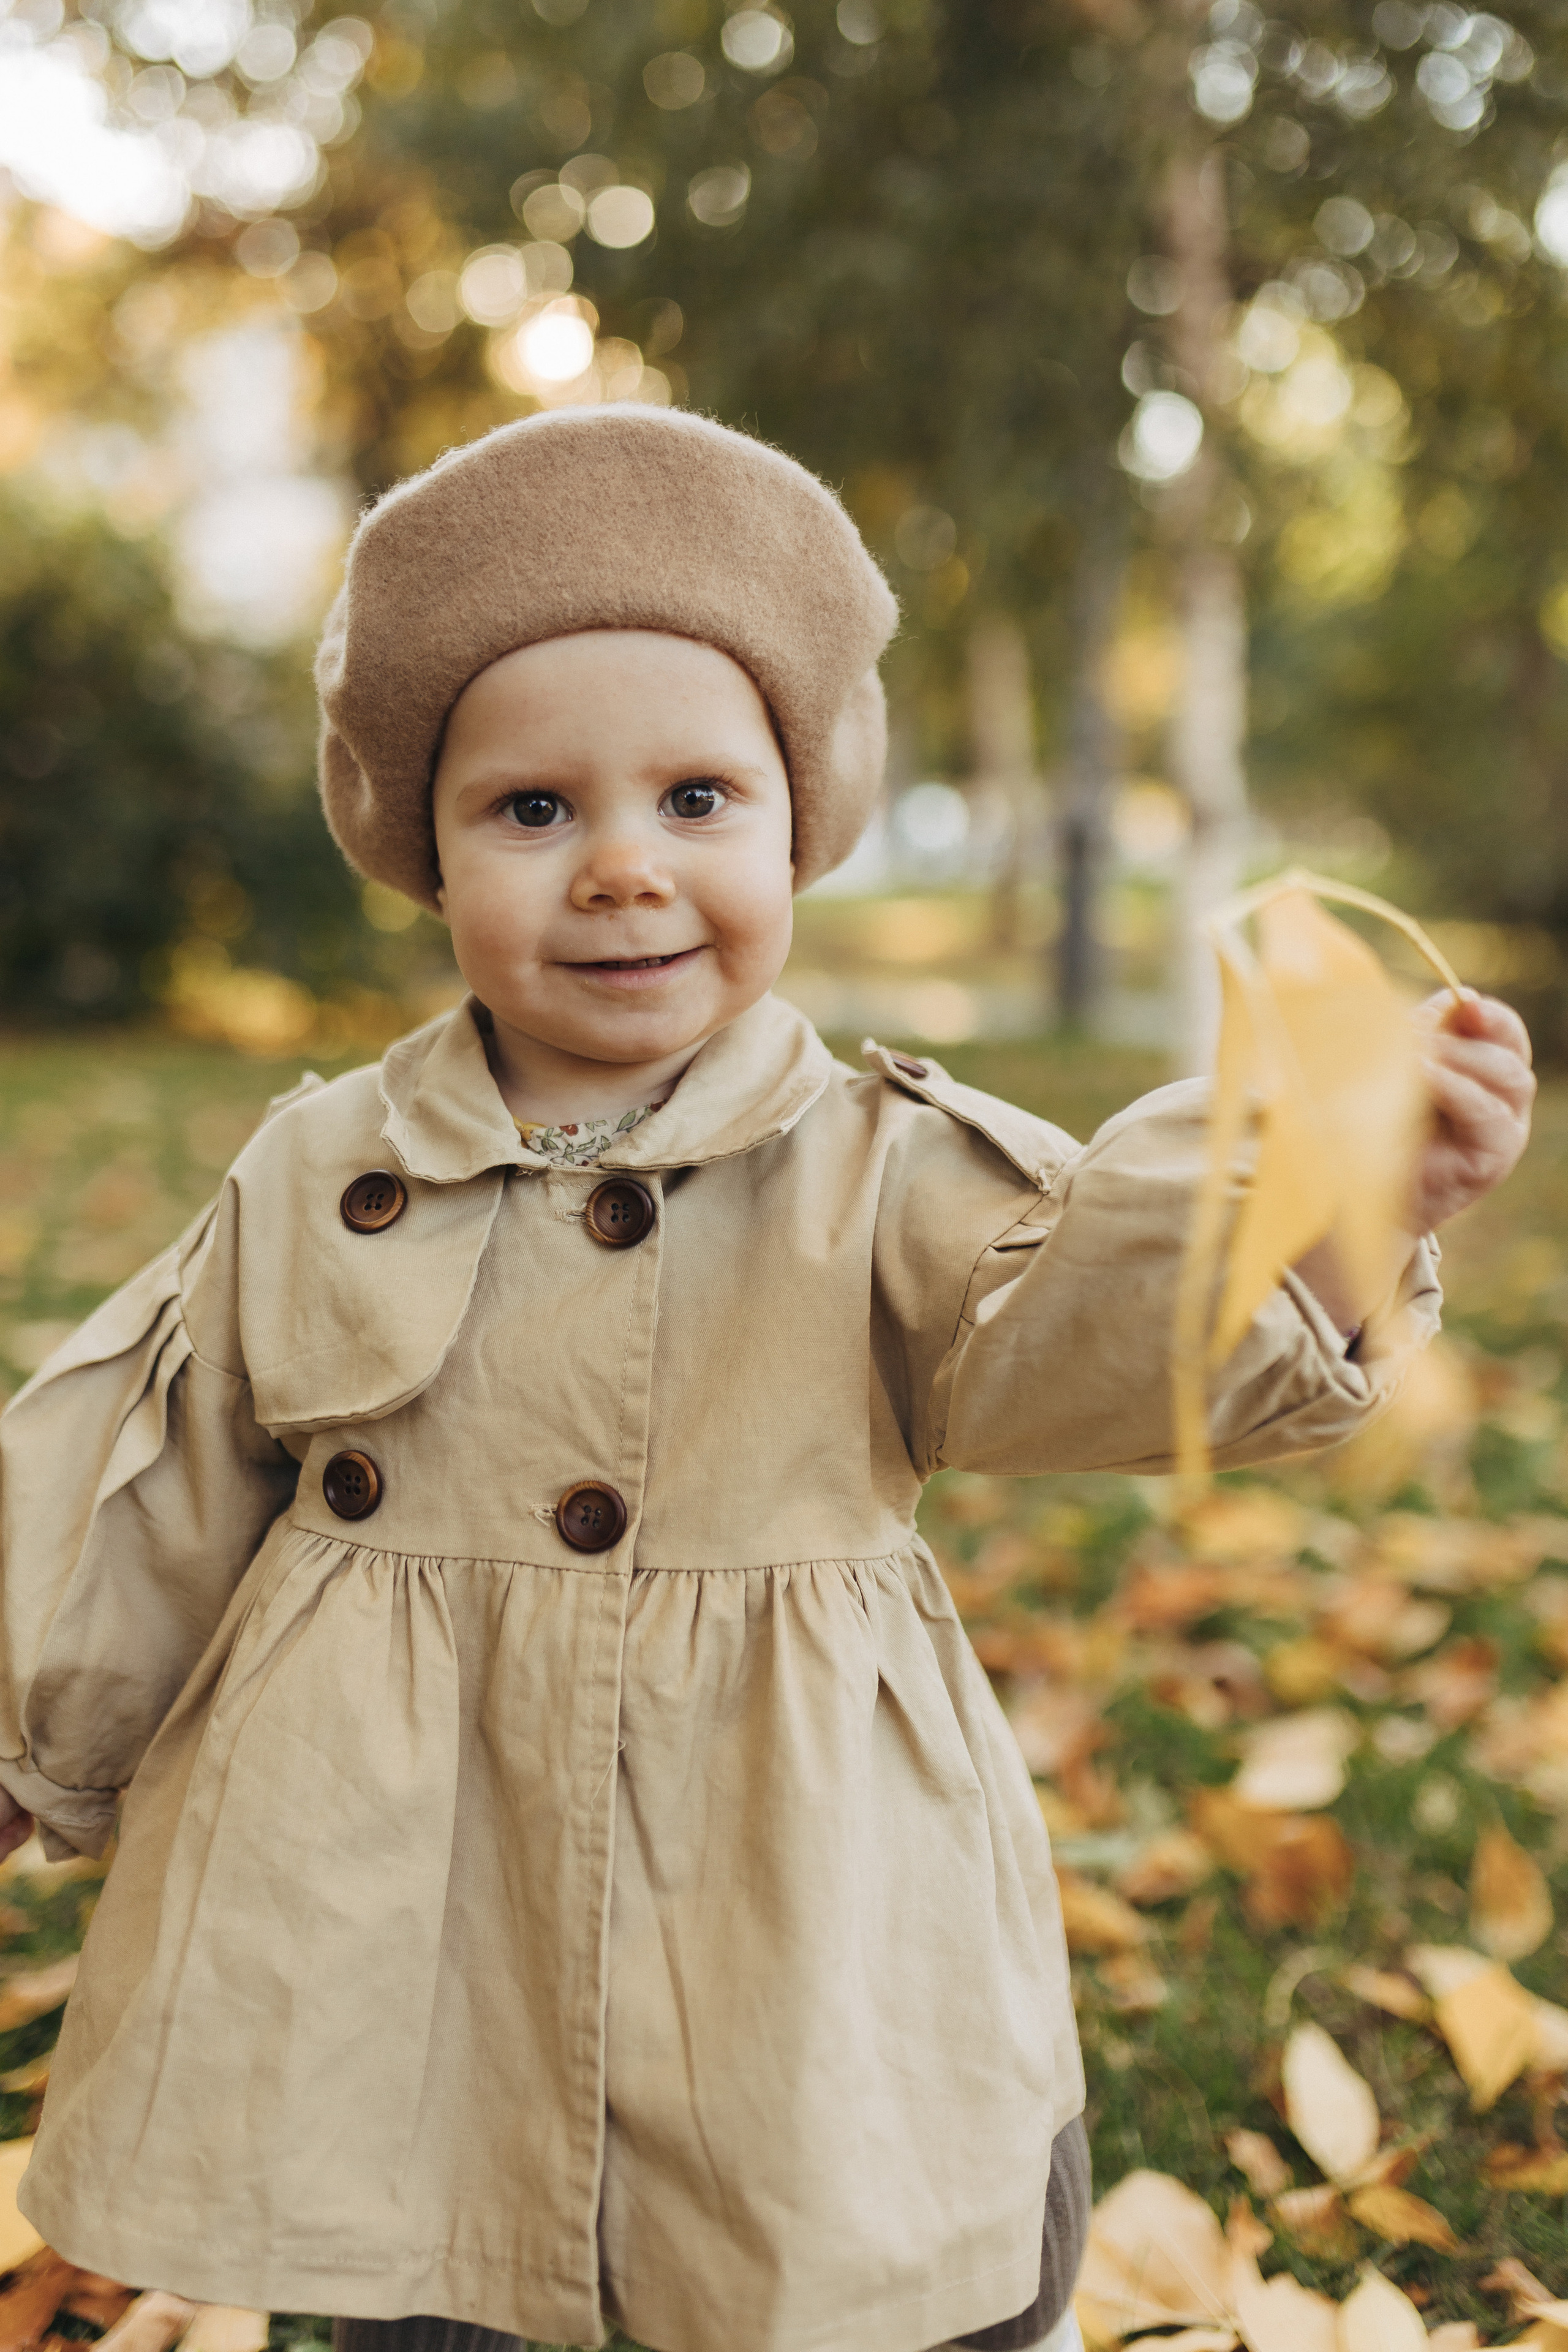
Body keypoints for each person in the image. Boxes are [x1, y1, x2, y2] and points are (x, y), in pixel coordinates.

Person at [0, 409, 1534, 2352]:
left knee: (826, 2225)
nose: (625, 868)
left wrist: (1325, 1208)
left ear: (803, 822)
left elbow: (1069, 1322)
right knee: (429, 2241)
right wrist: (20, 1710)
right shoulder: (324, 1168)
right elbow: (157, 1452)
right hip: (403, 1874)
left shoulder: (877, 1164)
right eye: (534, 809)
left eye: (701, 800)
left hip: (789, 1850)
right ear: (423, 843)